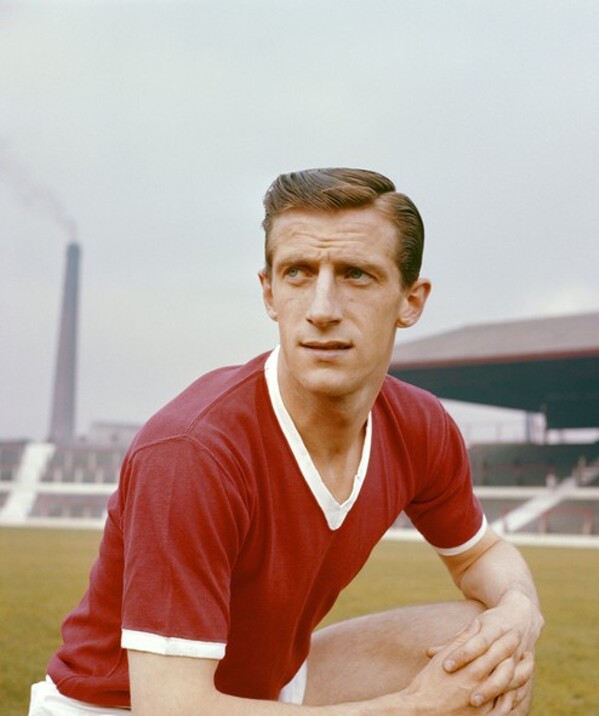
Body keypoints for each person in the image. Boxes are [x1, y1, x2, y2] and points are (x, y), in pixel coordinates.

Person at [30, 167, 543, 715]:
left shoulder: (419, 425)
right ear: (270, 292)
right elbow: (170, 707)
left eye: (356, 274)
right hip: (124, 706)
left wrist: (518, 610)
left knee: (486, 654)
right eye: (298, 272)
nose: (322, 309)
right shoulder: (192, 452)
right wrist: (412, 708)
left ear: (410, 301)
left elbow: (482, 554)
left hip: (259, 690)